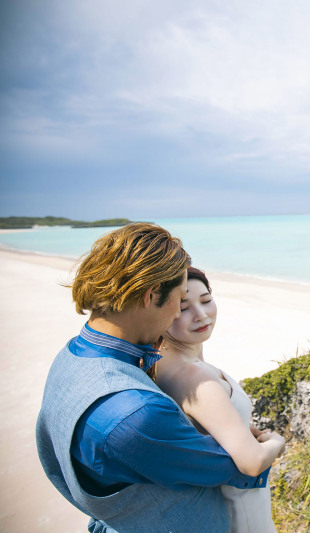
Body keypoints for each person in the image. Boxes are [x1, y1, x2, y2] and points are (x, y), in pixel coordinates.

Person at [36, 223, 271, 533]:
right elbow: (233, 466)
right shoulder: (132, 411)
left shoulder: (71, 357)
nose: (177, 315)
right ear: (151, 295)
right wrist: (272, 442)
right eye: (180, 300)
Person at [155, 267, 283, 533]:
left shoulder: (163, 364)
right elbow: (252, 463)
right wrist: (277, 442)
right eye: (183, 308)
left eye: (205, 300)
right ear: (162, 311)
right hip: (241, 506)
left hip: (217, 502)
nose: (201, 315)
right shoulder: (192, 376)